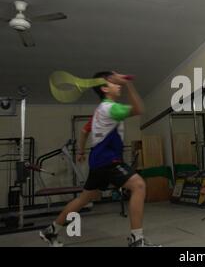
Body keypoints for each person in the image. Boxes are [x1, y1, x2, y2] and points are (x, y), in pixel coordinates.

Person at [40, 71, 160, 247]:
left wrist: (81, 151)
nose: (118, 84)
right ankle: (137, 240)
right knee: (139, 185)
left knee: (85, 198)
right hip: (107, 160)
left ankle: (51, 231)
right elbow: (140, 109)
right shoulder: (110, 108)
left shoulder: (100, 111)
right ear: (104, 88)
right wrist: (128, 85)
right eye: (114, 82)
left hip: (97, 161)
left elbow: (83, 131)